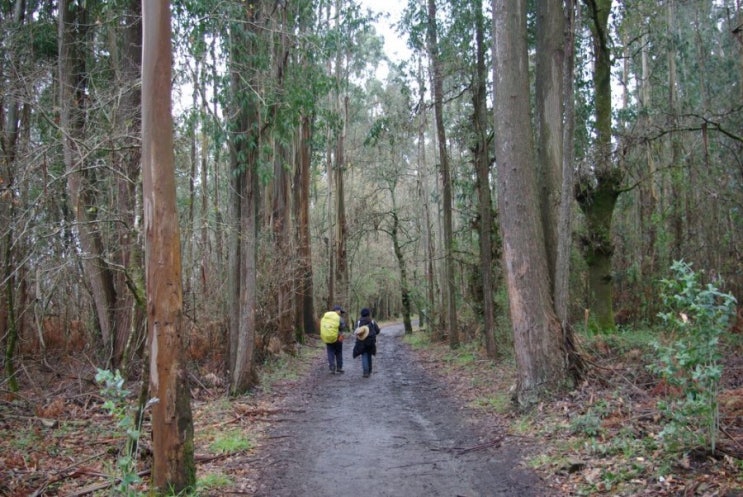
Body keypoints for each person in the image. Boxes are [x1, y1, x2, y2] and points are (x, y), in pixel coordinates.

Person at [352, 308, 380, 378]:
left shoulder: (358, 322)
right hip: (371, 341)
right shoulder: (372, 321)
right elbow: (377, 331)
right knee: (369, 355)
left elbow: (355, 331)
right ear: (369, 314)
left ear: (361, 314)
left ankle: (365, 372)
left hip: (361, 341)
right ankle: (369, 371)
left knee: (364, 355)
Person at [320, 304, 347, 374]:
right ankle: (339, 367)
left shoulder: (325, 317)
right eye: (340, 311)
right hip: (338, 337)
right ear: (337, 311)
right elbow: (342, 327)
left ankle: (332, 367)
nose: (341, 313)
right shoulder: (339, 318)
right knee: (338, 352)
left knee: (330, 352)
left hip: (327, 337)